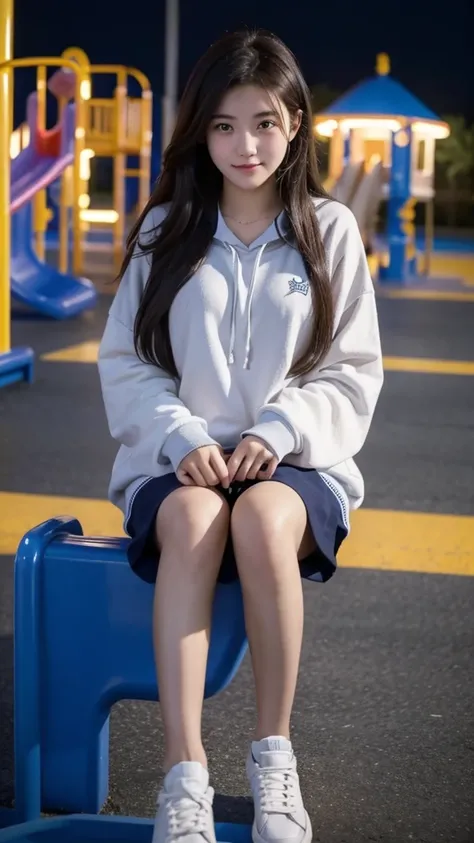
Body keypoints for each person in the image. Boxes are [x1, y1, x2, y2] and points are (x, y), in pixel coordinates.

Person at [98, 27, 384, 843]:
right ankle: (183, 776)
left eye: (262, 122)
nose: (243, 145)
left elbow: (353, 369)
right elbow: (124, 361)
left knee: (260, 516)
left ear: (294, 122)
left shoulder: (328, 233)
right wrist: (179, 433)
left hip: (297, 462)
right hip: (178, 459)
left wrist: (284, 428)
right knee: (193, 516)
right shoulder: (164, 232)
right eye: (222, 125)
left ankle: (273, 758)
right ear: (201, 132)